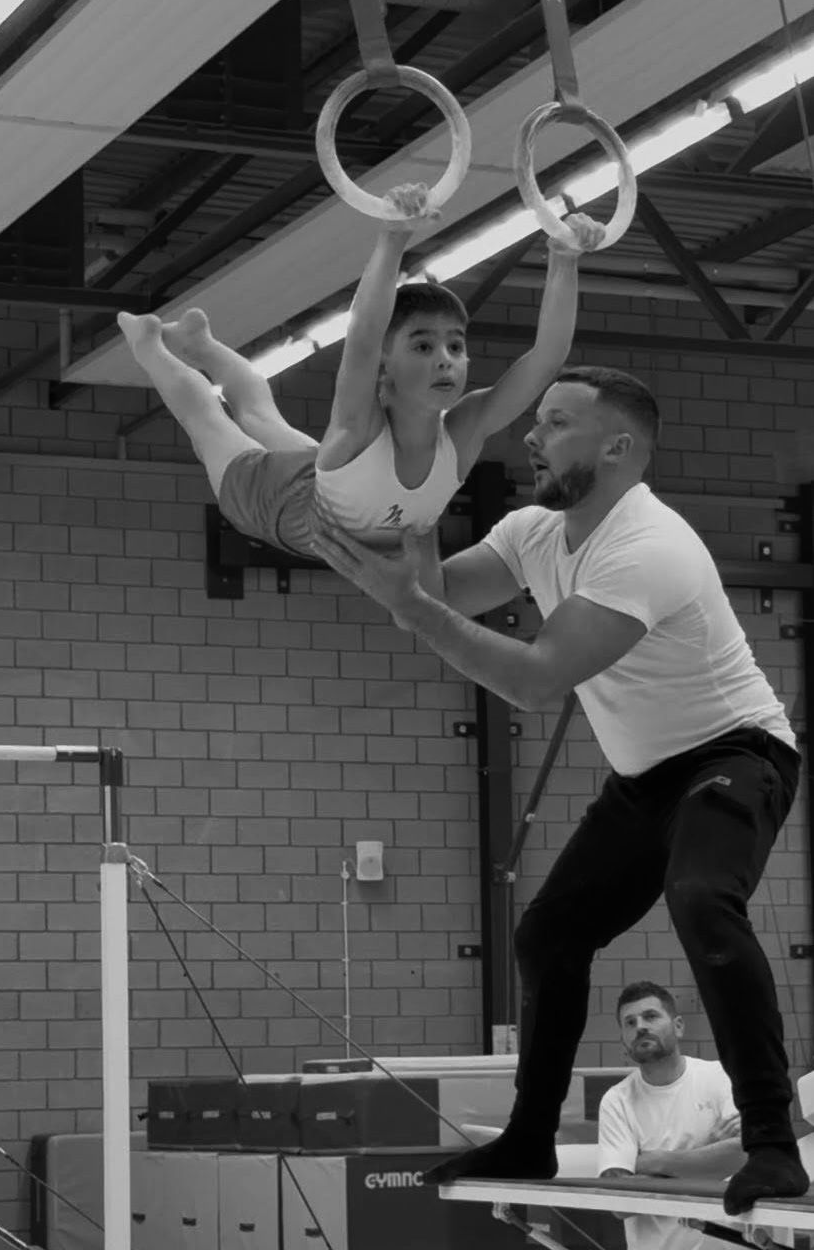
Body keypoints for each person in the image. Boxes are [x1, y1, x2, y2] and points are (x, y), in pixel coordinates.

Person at [310, 365, 806, 1215]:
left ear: (617, 447)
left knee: (699, 899)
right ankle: (530, 1135)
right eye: (535, 422)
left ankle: (770, 1142)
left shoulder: (648, 547)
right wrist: (412, 508)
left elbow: (536, 681)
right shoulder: (533, 531)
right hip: (646, 777)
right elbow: (434, 595)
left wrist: (413, 605)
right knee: (548, 934)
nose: (530, 437)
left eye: (555, 423)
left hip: (736, 753)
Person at [117, 185, 604, 558]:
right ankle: (149, 344)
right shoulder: (359, 421)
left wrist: (564, 259)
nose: (446, 359)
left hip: (325, 480)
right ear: (385, 365)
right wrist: (393, 237)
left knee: (262, 416)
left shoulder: (466, 429)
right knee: (211, 419)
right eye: (423, 345)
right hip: (270, 506)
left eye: (456, 346)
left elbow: (547, 357)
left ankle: (201, 343)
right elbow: (365, 332)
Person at [599, 981, 745, 1250]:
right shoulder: (617, 1101)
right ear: (623, 1039)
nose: (640, 1027)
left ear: (678, 1026)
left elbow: (743, 1156)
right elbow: (619, 1203)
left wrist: (653, 1162)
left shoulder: (720, 1076)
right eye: (630, 1022)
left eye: (651, 1016)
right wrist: (708, 1152)